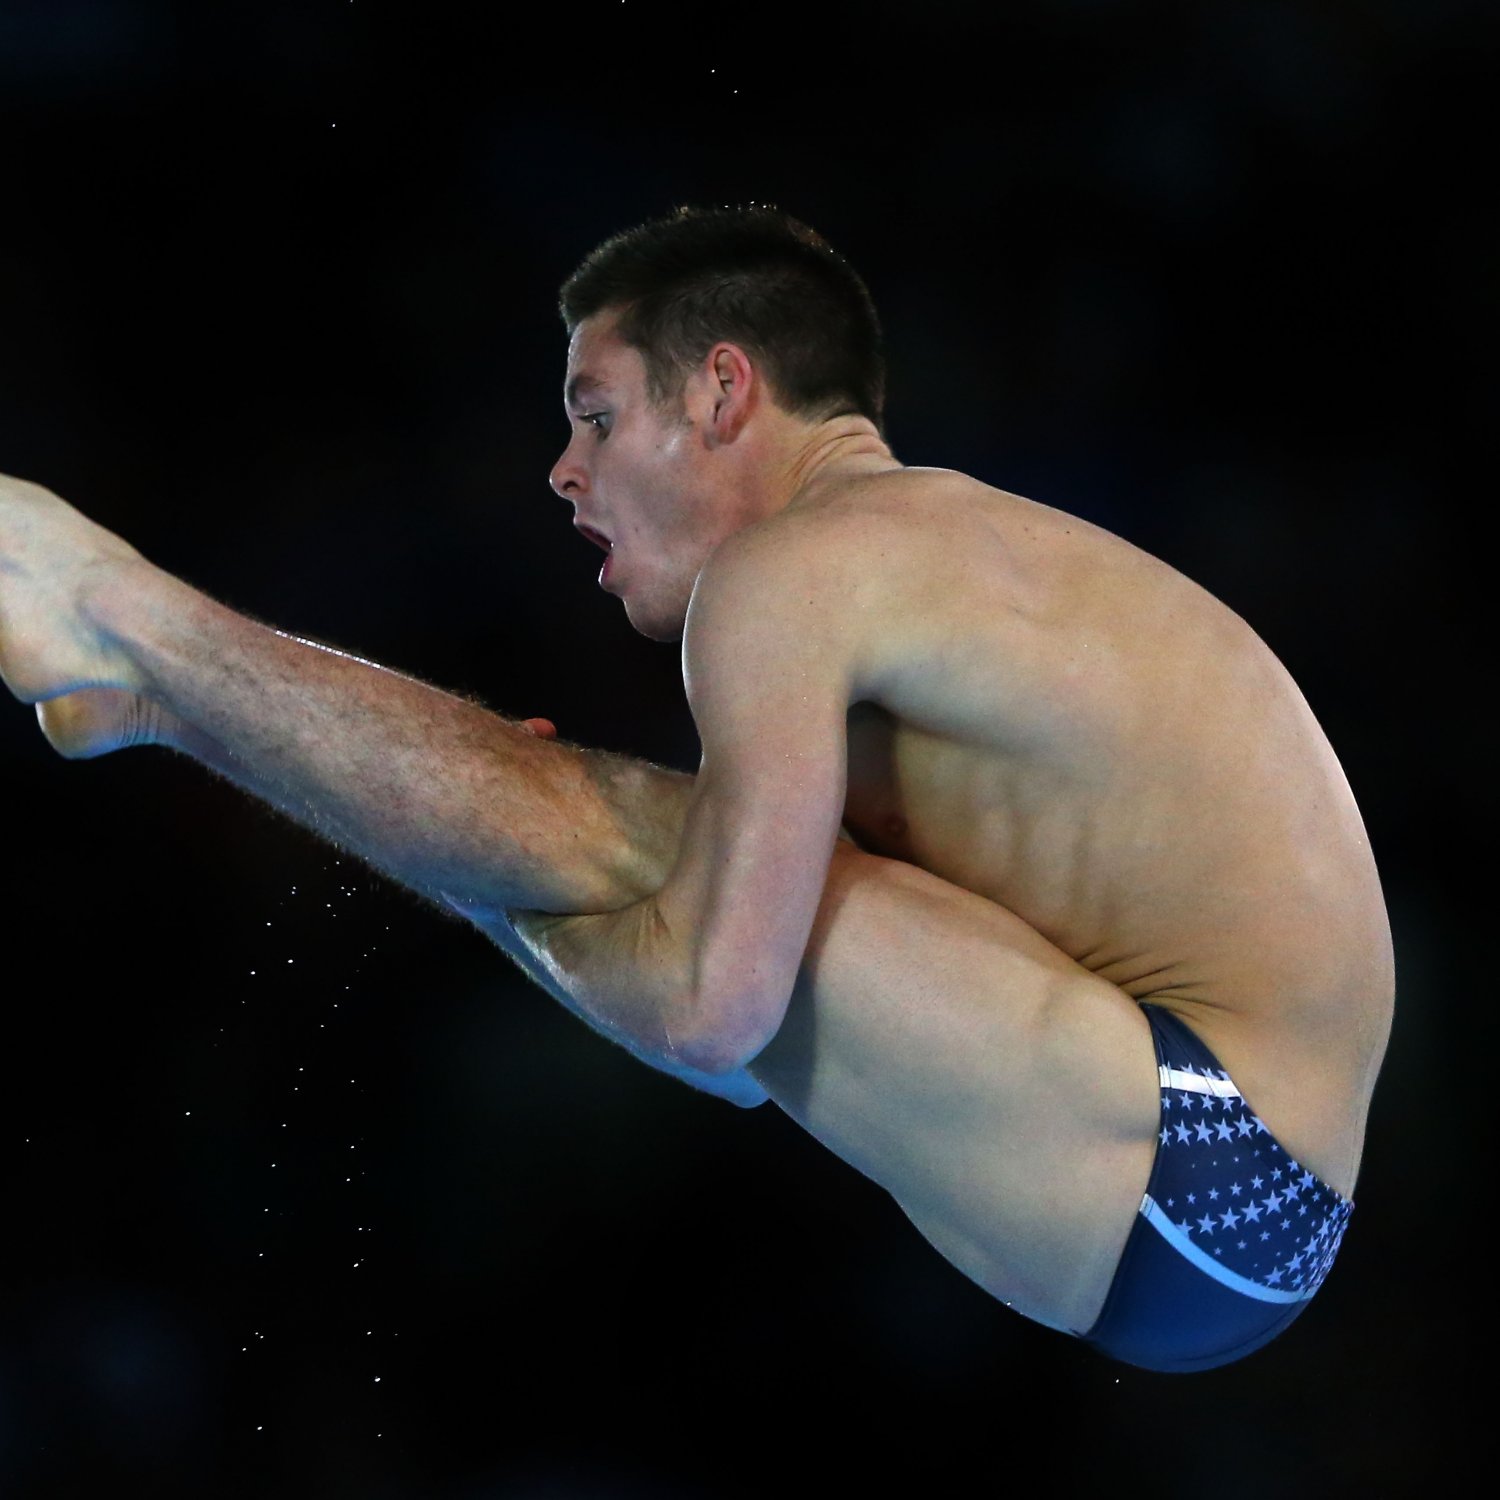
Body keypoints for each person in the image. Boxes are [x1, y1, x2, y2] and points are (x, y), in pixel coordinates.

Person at [0, 205, 1392, 1372]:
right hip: (1230, 1186)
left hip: (1195, 1153)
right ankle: (157, 684)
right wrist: (507, 842)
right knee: (586, 839)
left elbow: (707, 1019)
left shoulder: (791, 578)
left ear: (724, 390)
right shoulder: (941, 566)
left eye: (597, 414)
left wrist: (497, 842)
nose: (563, 469)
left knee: (593, 833)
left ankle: (115, 613)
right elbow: (738, 1043)